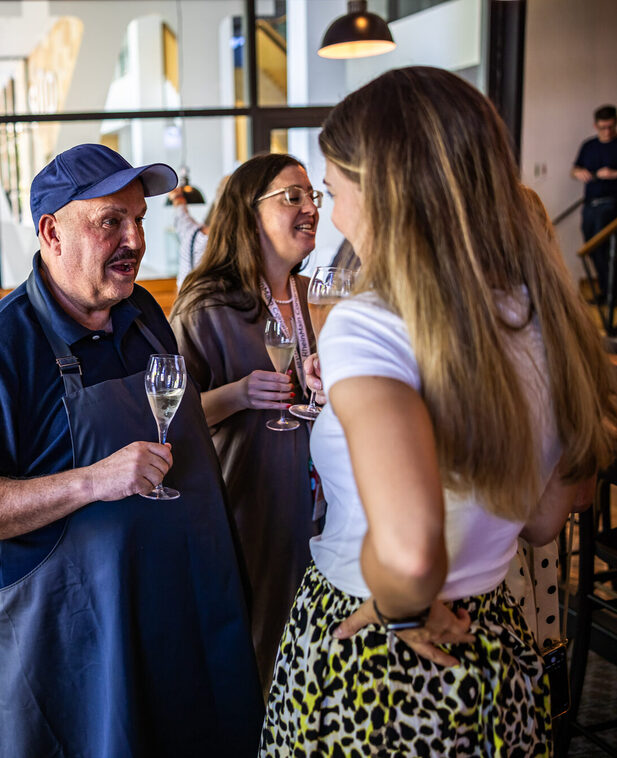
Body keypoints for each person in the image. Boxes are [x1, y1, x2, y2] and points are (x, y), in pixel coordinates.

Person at [260, 66, 617, 755]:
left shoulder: (368, 326)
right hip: (490, 641)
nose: (331, 214)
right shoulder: (538, 312)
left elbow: (408, 548)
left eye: (334, 191)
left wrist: (396, 608)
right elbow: (544, 519)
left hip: (375, 658)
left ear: (387, 193)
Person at [0, 143, 262, 756]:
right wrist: (92, 481)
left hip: (174, 610)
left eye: (139, 219)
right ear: (52, 232)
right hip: (75, 638)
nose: (134, 238)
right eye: (111, 220)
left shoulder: (142, 312)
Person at [169, 153, 320, 694]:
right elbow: (168, 419)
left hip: (324, 509)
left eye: (313, 196)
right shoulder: (206, 306)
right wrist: (238, 394)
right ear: (249, 212)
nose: (310, 209)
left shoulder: (313, 298)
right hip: (251, 505)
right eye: (292, 197)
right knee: (261, 653)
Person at [572, 104, 617, 300]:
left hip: (611, 204)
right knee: (590, 248)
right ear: (595, 125)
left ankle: (611, 294)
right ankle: (606, 291)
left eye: (611, 127)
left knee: (604, 248)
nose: (607, 132)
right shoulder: (588, 146)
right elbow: (574, 169)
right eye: (603, 127)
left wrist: (612, 174)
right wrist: (578, 173)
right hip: (590, 203)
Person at [168, 174, 229, 287]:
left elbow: (181, 216)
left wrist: (177, 198)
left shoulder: (192, 233)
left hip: (187, 301)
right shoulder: (241, 244)